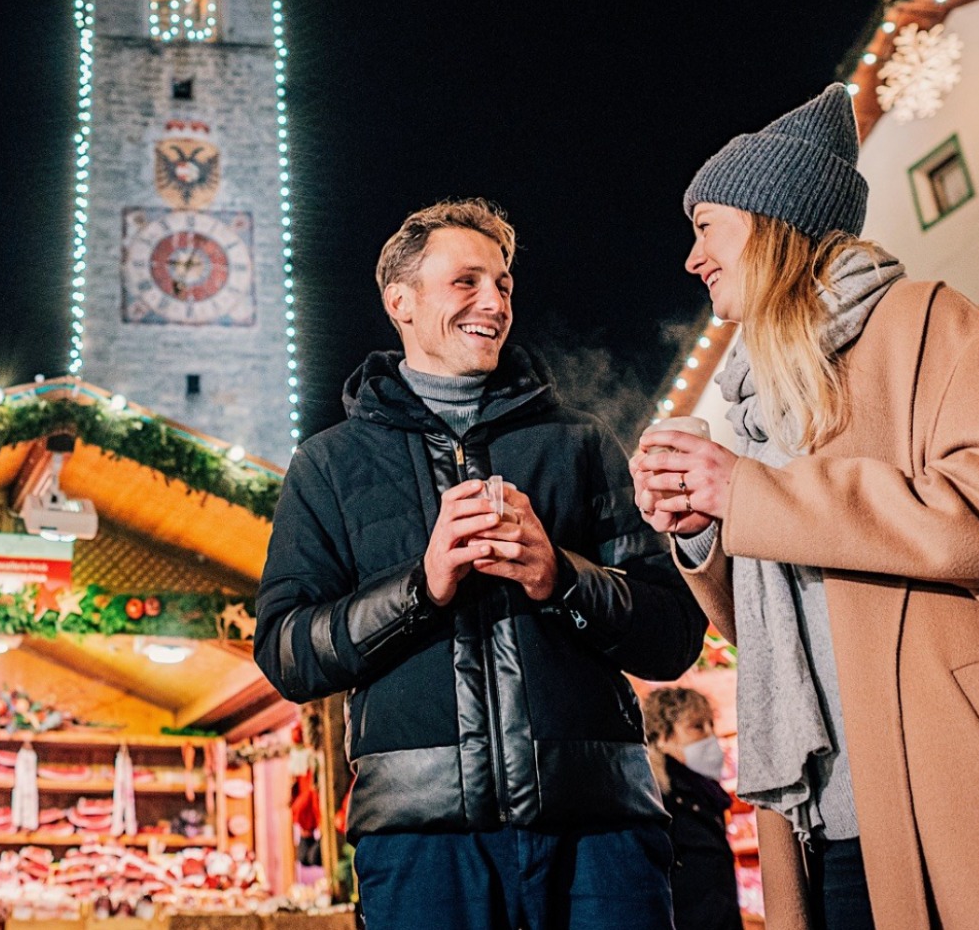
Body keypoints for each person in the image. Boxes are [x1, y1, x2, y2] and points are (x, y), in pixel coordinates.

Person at [632, 84, 979, 930]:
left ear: (768, 219)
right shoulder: (755, 402)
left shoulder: (928, 324)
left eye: (705, 226)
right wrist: (708, 531)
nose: (692, 257)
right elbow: (794, 626)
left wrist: (752, 492)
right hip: (822, 816)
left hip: (969, 789)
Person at [254, 198, 707, 930]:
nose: (494, 303)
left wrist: (561, 578)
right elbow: (284, 653)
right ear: (400, 301)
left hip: (601, 835)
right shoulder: (329, 465)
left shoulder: (581, 445)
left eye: (503, 285)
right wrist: (419, 589)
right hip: (422, 848)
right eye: (467, 282)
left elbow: (673, 636)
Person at [642, 686, 743, 930]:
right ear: (662, 736)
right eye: (697, 727)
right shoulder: (659, 800)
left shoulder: (705, 796)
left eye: (711, 725)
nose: (710, 736)